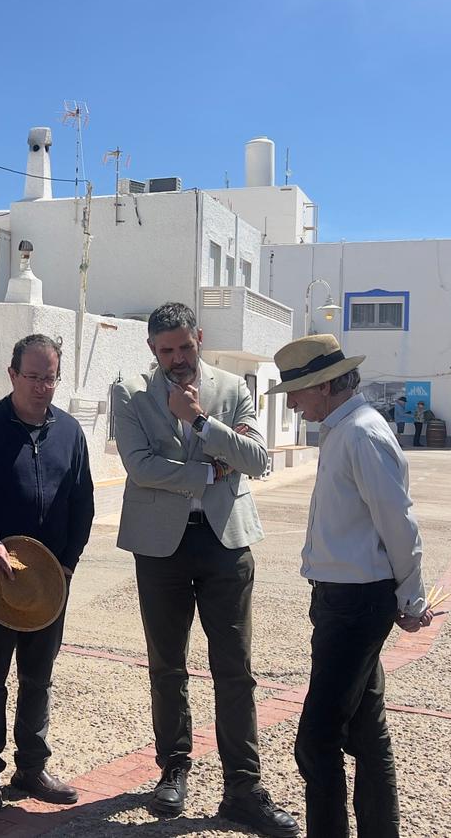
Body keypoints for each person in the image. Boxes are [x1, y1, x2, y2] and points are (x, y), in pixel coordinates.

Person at [109, 301, 300, 838]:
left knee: (235, 668)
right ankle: (173, 768)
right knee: (167, 665)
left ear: (199, 337)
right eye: (165, 350)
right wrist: (213, 471)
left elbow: (257, 461)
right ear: (152, 349)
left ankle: (243, 787)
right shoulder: (130, 392)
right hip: (160, 546)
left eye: (184, 346)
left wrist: (198, 419)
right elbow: (139, 466)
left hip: (225, 543)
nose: (176, 358)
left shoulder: (233, 388)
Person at [269, 334, 432, 838]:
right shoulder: (346, 430)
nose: (291, 404)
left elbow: (398, 522)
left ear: (324, 385)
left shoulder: (361, 433)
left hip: (356, 604)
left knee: (317, 740)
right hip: (343, 599)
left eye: (296, 392)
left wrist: (412, 597)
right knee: (365, 732)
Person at [0, 334, 95, 812]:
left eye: (49, 378)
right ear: (12, 374)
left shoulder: (70, 432)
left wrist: (68, 563)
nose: (41, 387)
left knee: (39, 676)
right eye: (32, 377)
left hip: (50, 581)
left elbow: (82, 502)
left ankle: (32, 768)